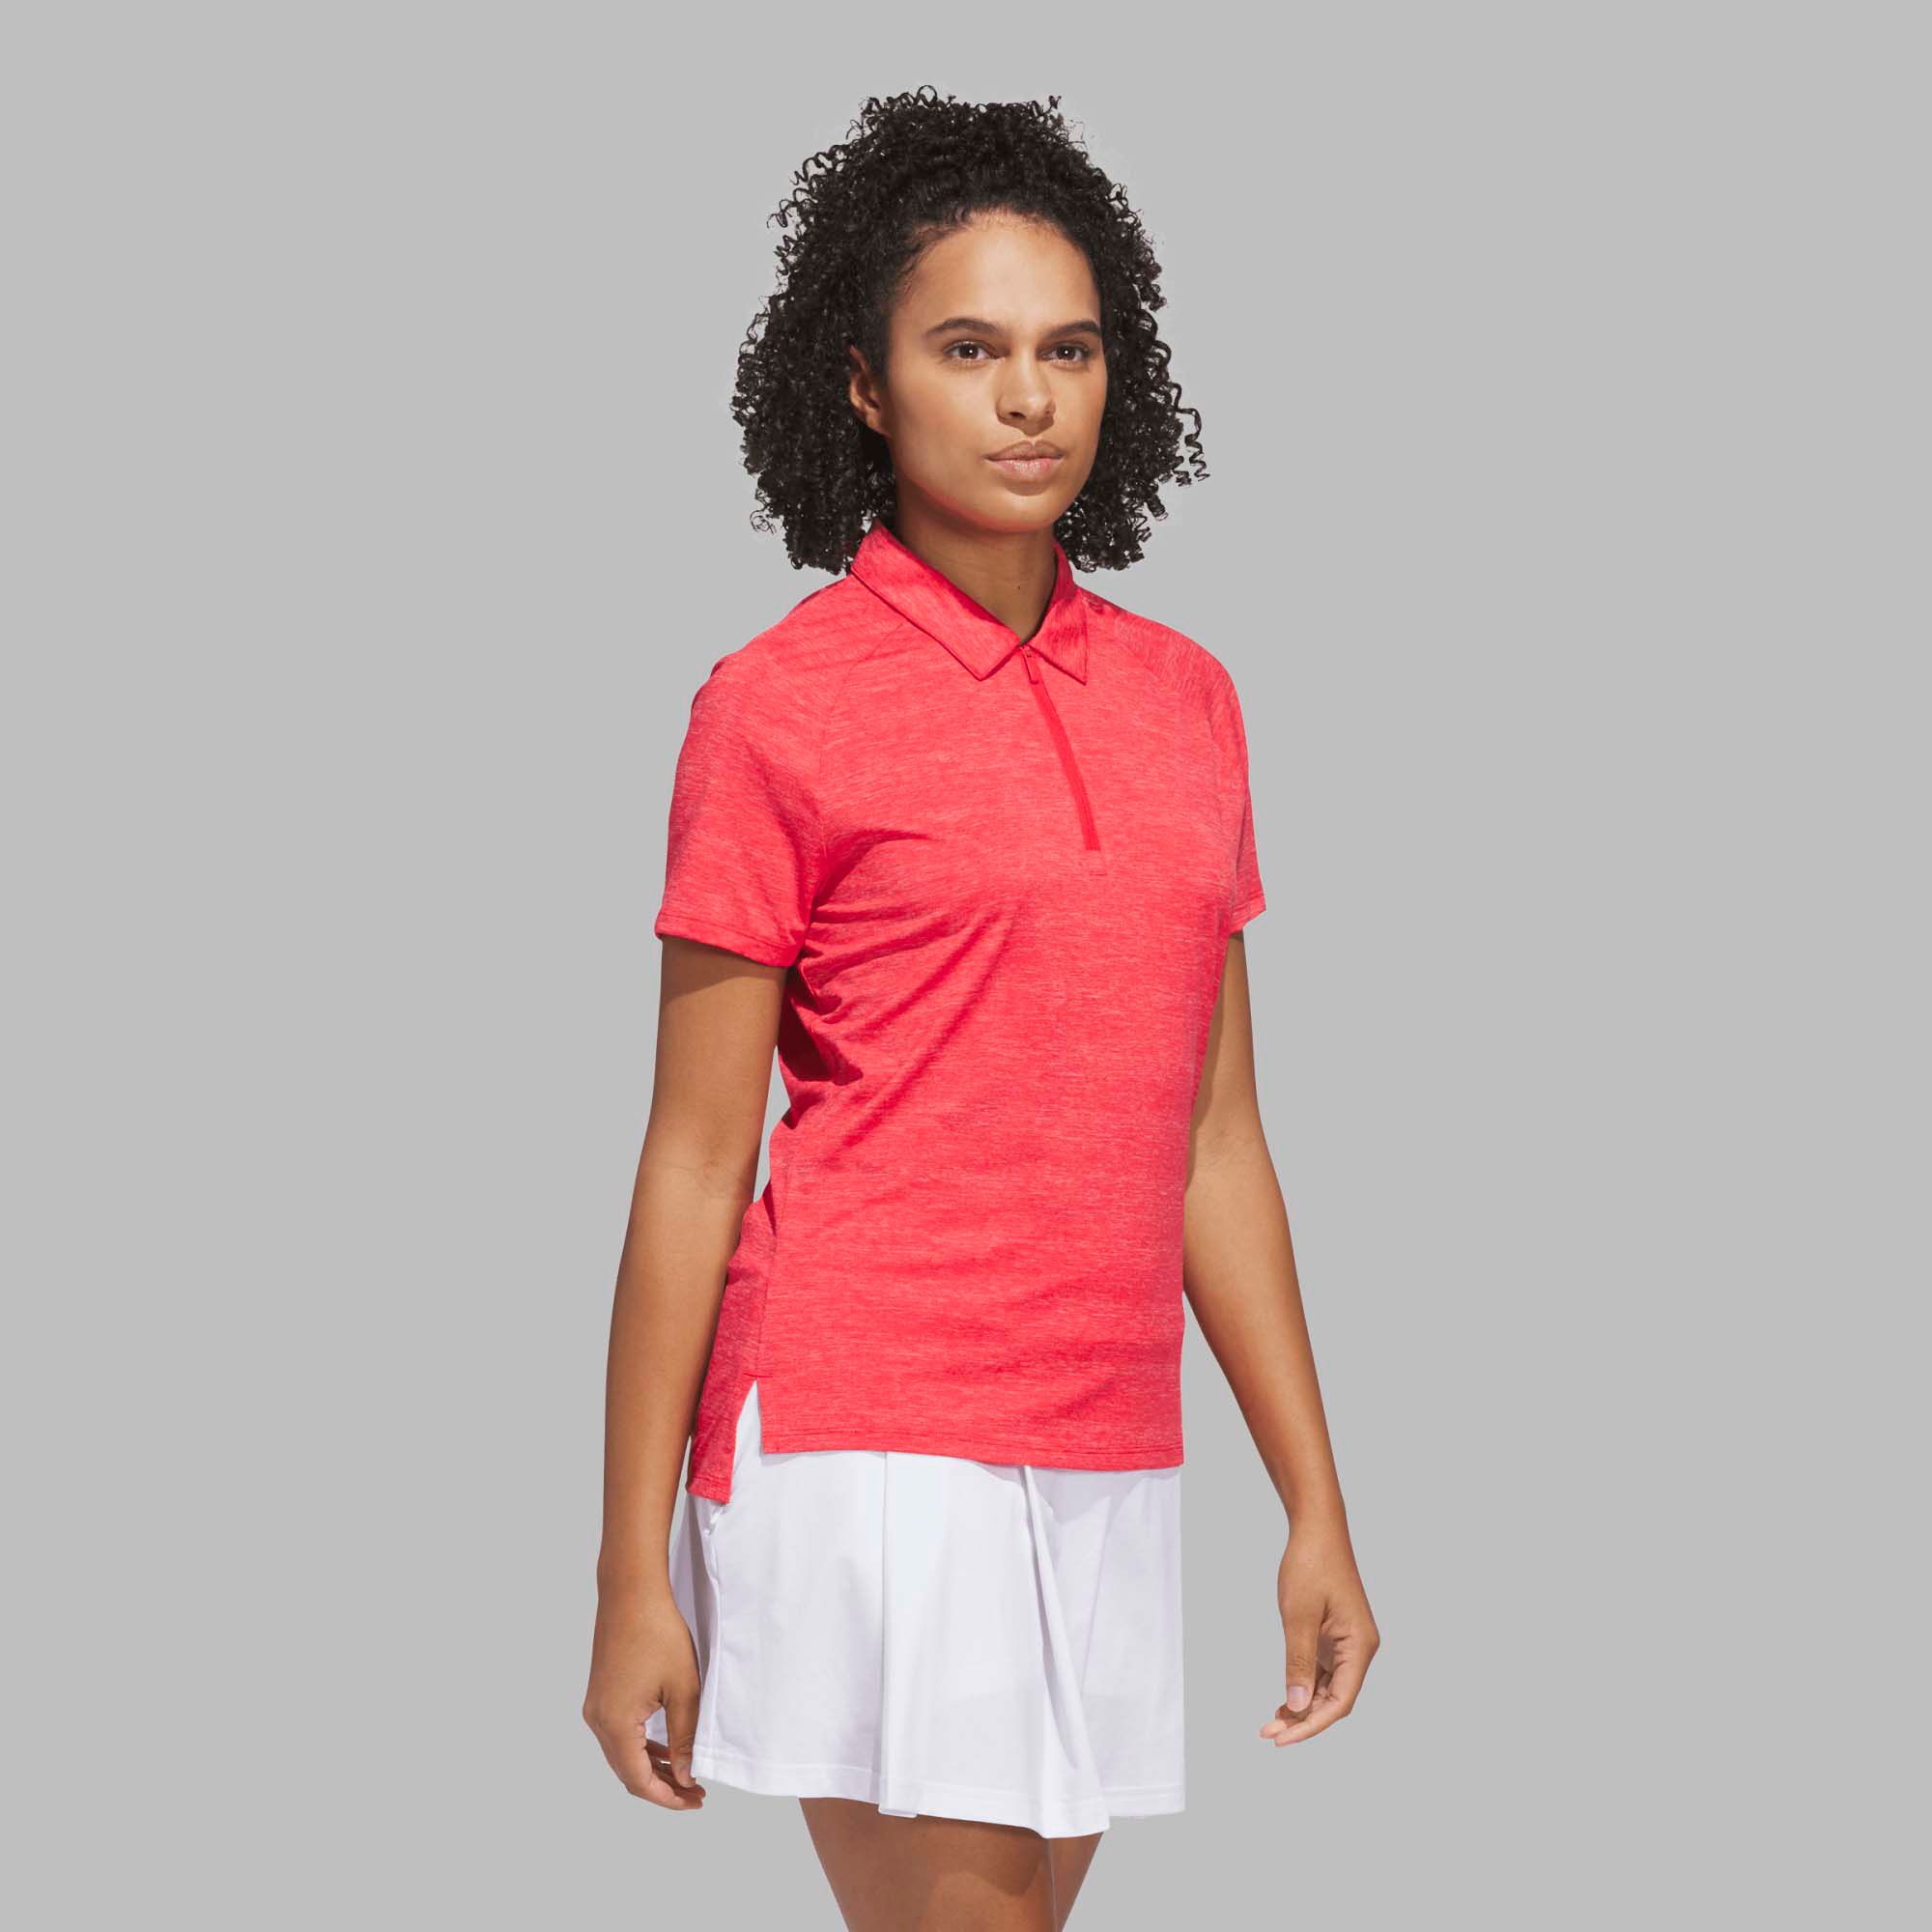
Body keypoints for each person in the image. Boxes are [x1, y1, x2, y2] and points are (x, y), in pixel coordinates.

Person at [584, 88, 1379, 1928]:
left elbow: (1213, 1139)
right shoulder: (776, 706)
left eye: (1067, 350)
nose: (1029, 399)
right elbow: (694, 1161)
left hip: (1106, 1436)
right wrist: (630, 1571)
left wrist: (1315, 1501)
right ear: (865, 387)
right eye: (969, 349)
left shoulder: (1187, 702)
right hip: (866, 1425)